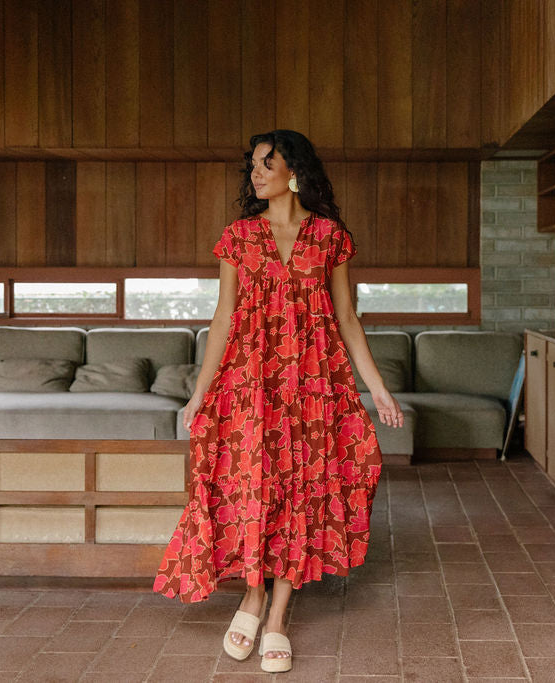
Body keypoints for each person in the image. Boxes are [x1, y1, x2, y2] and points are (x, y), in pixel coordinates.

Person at [153, 130, 404, 673]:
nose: (256, 173)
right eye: (253, 165)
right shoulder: (239, 238)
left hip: (316, 386)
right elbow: (223, 318)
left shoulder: (330, 237)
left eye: (268, 163)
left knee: (302, 491)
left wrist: (377, 387)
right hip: (250, 384)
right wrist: (199, 392)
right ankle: (252, 594)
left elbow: (347, 318)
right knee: (252, 486)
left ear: (295, 171)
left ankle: (277, 615)